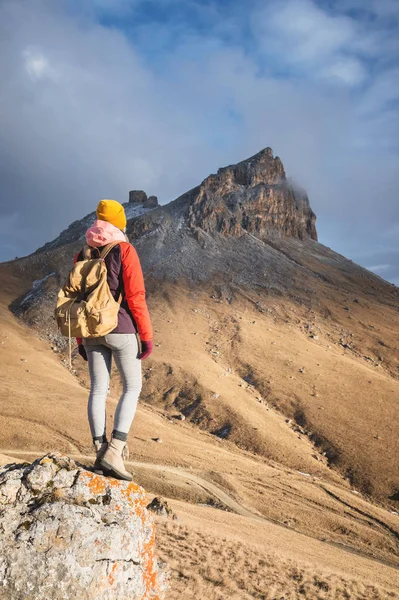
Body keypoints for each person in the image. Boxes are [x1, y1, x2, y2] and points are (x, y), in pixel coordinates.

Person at [75, 199, 153, 481]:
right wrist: (145, 336)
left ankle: (100, 451)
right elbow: (136, 297)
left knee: (98, 389)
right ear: (119, 222)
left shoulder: (82, 253)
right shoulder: (125, 250)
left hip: (90, 332)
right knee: (132, 386)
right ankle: (116, 451)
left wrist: (79, 338)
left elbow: (77, 298)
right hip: (120, 328)